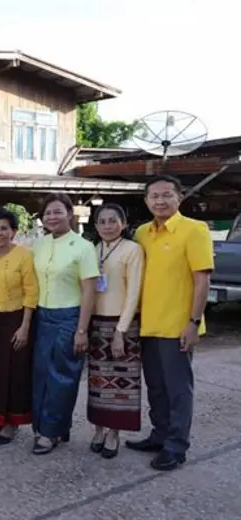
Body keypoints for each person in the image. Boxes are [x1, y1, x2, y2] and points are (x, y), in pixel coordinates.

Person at [126, 175, 213, 471]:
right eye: (154, 196)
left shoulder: (194, 230)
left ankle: (176, 447)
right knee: (157, 388)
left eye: (166, 195)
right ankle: (159, 434)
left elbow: (202, 279)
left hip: (177, 326)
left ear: (180, 197)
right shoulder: (141, 233)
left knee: (178, 389)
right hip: (148, 324)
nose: (160, 201)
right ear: (146, 201)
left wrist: (193, 322)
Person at [31, 193, 99, 455]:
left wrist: (82, 330)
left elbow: (89, 292)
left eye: (58, 212)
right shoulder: (39, 244)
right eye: (47, 213)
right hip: (42, 316)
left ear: (70, 214)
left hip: (69, 317)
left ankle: (50, 432)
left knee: (62, 377)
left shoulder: (83, 247)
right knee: (40, 375)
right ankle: (46, 426)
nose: (52, 217)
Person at [86, 203, 144, 459]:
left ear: (123, 223)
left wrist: (120, 330)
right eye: (102, 221)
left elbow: (134, 293)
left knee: (121, 384)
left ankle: (114, 432)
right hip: (96, 325)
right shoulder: (94, 250)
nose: (107, 226)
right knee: (98, 383)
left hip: (123, 325)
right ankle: (98, 428)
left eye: (113, 221)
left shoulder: (133, 250)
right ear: (95, 226)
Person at [0, 207, 38, 445]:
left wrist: (25, 327)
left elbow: (31, 292)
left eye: (4, 228)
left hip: (16, 320)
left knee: (15, 373)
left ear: (14, 231)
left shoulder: (24, 255)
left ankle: (11, 423)